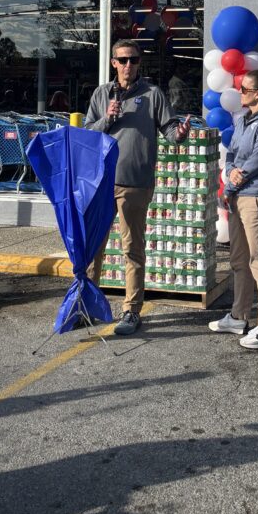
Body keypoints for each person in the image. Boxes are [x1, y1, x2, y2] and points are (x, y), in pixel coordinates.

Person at [85, 39, 190, 335]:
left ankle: (131, 310)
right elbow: (88, 132)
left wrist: (180, 133)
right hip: (102, 182)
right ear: (113, 63)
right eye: (123, 60)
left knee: (132, 248)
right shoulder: (101, 94)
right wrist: (108, 118)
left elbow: (170, 130)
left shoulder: (152, 94)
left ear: (139, 63)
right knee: (93, 247)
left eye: (133, 59)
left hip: (135, 183)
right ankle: (88, 305)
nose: (128, 65)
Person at [208, 69, 258, 350]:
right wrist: (230, 174)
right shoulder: (242, 120)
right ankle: (239, 315)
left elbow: (256, 160)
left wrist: (234, 180)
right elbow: (232, 153)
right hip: (238, 196)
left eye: (244, 89)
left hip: (257, 198)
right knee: (239, 260)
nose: (240, 93)